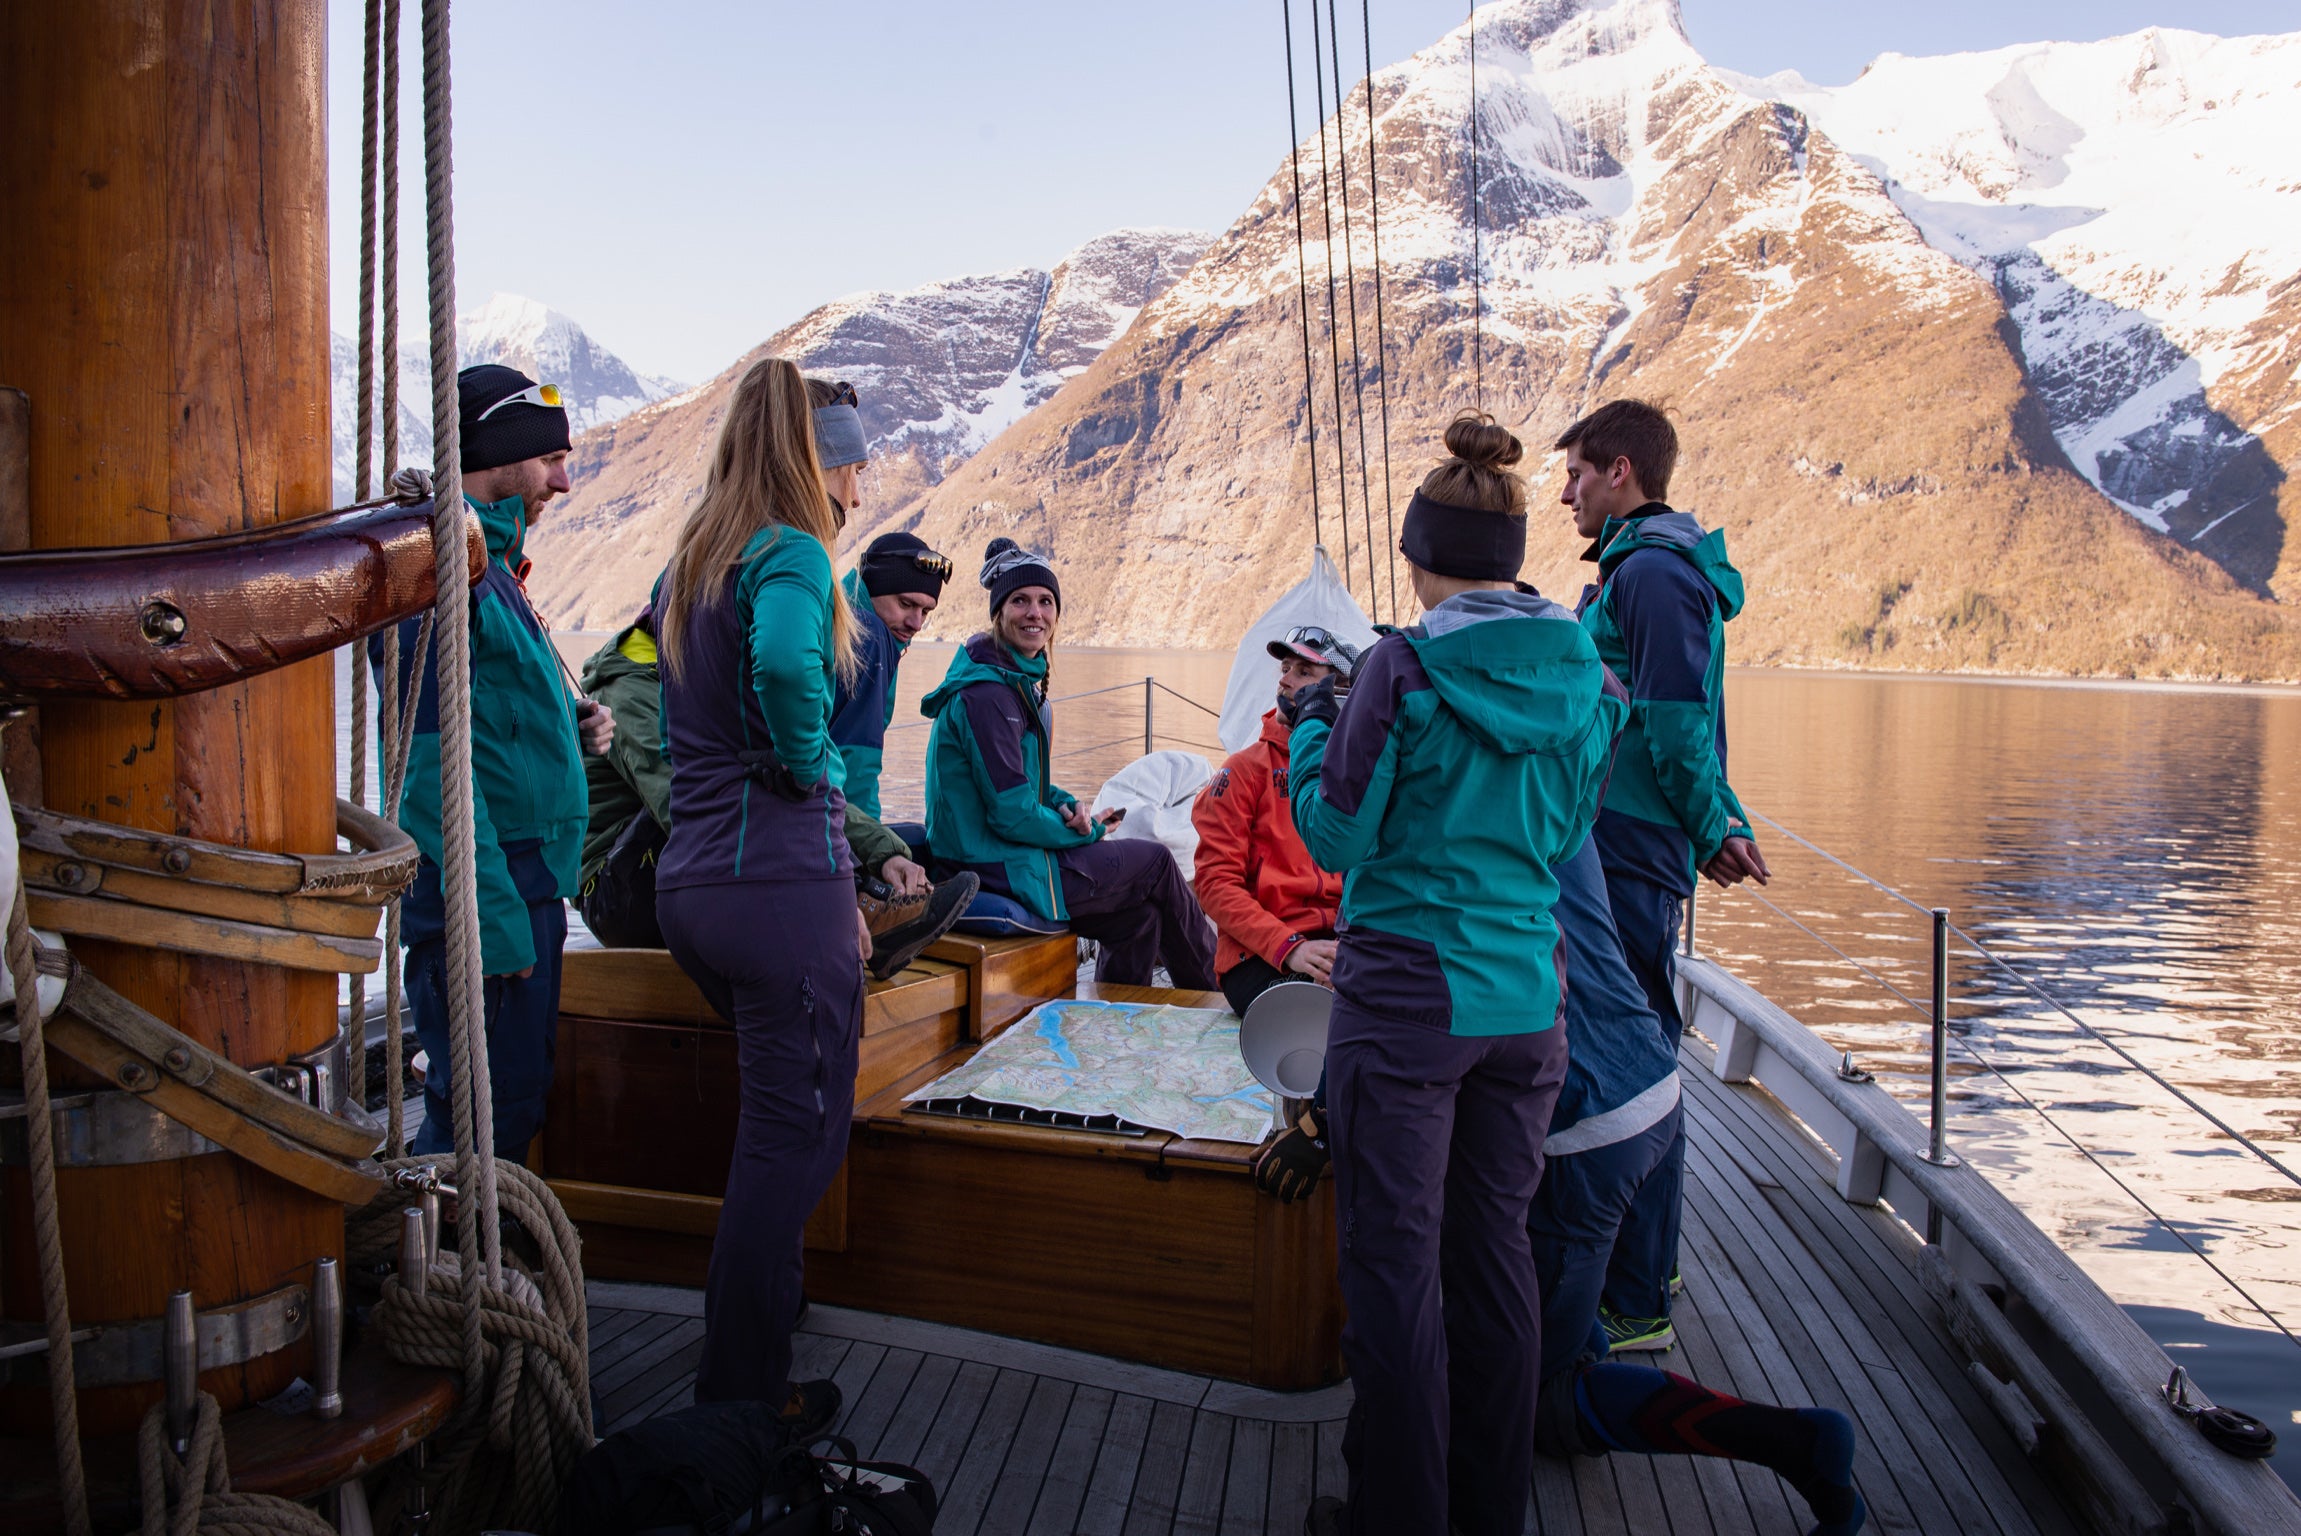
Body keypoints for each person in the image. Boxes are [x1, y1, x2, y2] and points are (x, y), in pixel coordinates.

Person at [1290, 415, 1625, 1536]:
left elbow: (1336, 842)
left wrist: (1304, 737)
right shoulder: (1581, 666)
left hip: (1405, 1006)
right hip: (1528, 1004)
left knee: (1394, 1269)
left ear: (1419, 553)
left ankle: (1398, 1517)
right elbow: (1571, 823)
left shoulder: (1404, 664)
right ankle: (1489, 1516)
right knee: (1494, 1263)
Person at [1527, 834, 1867, 1536]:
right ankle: (1571, 1340)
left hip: (1583, 1126)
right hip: (1642, 1077)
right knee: (1543, 1295)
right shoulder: (1554, 782)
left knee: (1536, 1398)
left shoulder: (1468, 800)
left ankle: (1797, 1444)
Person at [650, 356, 862, 1433]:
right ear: (816, 462)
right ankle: (740, 1402)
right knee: (797, 1138)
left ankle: (766, 1324)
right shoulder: (790, 552)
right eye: (854, 466)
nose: (862, 491)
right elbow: (786, 669)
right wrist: (815, 765)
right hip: (778, 883)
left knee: (774, 1127)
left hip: (693, 887)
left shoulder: (689, 562)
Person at [1558, 398, 1769, 1350]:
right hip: (1630, 838)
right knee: (1635, 1049)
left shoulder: (1645, 574)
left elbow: (1677, 724)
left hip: (1628, 847)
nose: (1565, 494)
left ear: (1620, 473)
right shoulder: (1639, 568)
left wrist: (1712, 822)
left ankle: (1635, 1295)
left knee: (1632, 1065)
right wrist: (1711, 820)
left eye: (1576, 474)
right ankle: (1647, 1258)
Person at [375, 363, 612, 1164]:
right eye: (551, 459)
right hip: (486, 894)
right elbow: (426, 771)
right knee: (486, 1110)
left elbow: (486, 726)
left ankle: (475, 1267)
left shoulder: (492, 570)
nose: (564, 481)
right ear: (502, 451)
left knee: (509, 1099)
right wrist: (493, 922)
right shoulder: (437, 570)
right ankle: (449, 1271)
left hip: (525, 883)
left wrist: (564, 733)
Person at [572, 599, 973, 978]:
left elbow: (804, 778)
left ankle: (873, 906)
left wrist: (882, 850)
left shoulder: (704, 676)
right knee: (730, 782)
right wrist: (822, 895)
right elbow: (687, 806)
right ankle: (863, 910)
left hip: (671, 866)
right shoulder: (629, 689)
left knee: (767, 767)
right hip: (616, 894)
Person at [920, 538, 1215, 990]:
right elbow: (1011, 813)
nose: (1034, 612)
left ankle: (1117, 1023)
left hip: (998, 853)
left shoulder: (1011, 684)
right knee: (1155, 862)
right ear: (999, 613)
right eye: (1019, 600)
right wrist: (1090, 831)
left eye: (1045, 601)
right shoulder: (989, 696)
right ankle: (1221, 1001)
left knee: (1140, 916)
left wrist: (1066, 806)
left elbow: (1023, 788)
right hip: (994, 865)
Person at [1191, 625, 1354, 1017]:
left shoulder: (1358, 770)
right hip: (1260, 954)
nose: (1284, 679)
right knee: (1322, 1014)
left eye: (1303, 672)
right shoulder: (1242, 772)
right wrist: (1291, 947)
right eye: (1285, 667)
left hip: (1343, 944)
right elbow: (1214, 884)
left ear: (1343, 690)